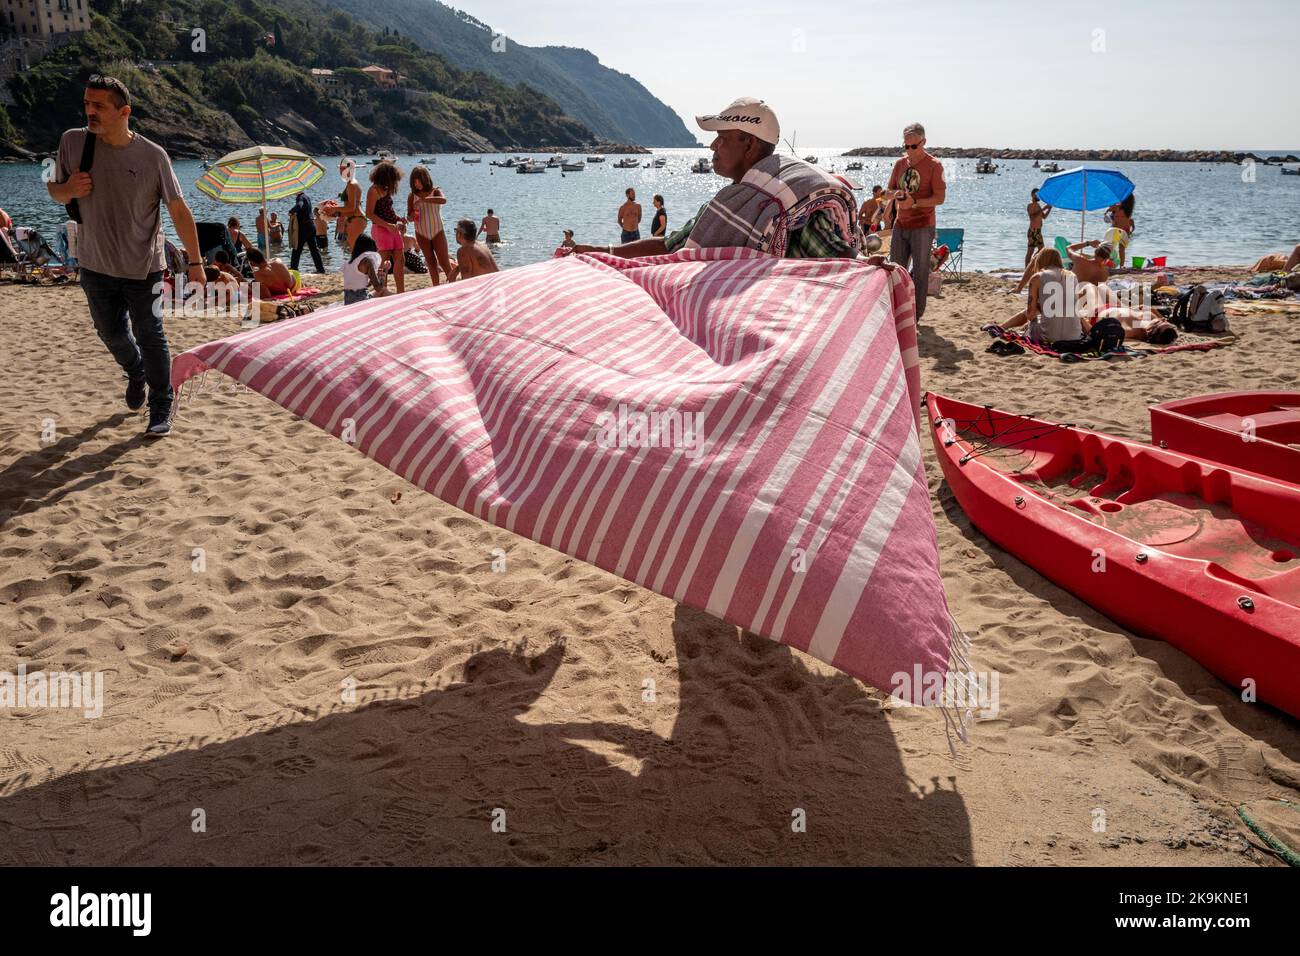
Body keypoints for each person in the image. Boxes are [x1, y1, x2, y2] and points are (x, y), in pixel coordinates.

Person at [46, 74, 205, 437]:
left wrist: (196, 264)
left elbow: (179, 210)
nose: (90, 111)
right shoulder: (73, 143)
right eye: (87, 103)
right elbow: (56, 192)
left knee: (151, 333)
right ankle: (135, 371)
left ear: (124, 111)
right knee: (111, 333)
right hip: (94, 263)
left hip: (144, 265)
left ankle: (161, 403)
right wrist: (67, 189)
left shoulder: (153, 156)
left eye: (99, 105)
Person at [570, 96, 867, 264]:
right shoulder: (726, 206)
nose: (713, 147)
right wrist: (602, 252)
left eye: (721, 139)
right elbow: (670, 246)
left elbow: (834, 254)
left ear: (748, 145)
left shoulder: (786, 204)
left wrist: (865, 263)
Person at [887, 122, 947, 319]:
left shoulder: (934, 166)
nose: (910, 151)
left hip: (923, 225)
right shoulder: (899, 164)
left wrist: (914, 203)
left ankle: (916, 315)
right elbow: (889, 191)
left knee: (920, 273)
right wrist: (894, 199)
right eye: (906, 146)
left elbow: (940, 198)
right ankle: (897, 312)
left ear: (924, 142)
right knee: (895, 270)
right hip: (900, 224)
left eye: (914, 146)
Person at [366, 160, 407, 293]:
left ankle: (401, 291)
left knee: (400, 259)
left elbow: (387, 210)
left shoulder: (385, 189)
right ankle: (382, 290)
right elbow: (369, 214)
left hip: (392, 228)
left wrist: (398, 219)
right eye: (393, 179)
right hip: (381, 229)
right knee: (384, 261)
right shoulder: (373, 190)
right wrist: (387, 225)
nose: (395, 183)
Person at [407, 165, 452, 285]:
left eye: (418, 181)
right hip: (421, 232)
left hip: (437, 230)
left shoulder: (435, 190)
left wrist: (423, 200)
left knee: (444, 262)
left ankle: (453, 285)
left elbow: (443, 200)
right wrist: (410, 217)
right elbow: (410, 216)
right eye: (414, 182)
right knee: (431, 263)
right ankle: (436, 288)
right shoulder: (412, 196)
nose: (416, 184)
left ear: (425, 179)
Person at [341, 233, 389, 305]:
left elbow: (363, 284)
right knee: (384, 291)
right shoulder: (366, 261)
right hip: (361, 301)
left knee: (378, 292)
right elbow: (379, 288)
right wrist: (384, 272)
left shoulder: (348, 263)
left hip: (348, 301)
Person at [333, 158, 366, 251]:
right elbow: (350, 207)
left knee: (355, 251)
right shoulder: (351, 183)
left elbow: (351, 207)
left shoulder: (351, 184)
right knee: (352, 251)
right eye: (340, 169)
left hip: (357, 219)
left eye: (342, 169)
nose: (340, 171)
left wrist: (335, 209)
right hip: (355, 218)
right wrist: (336, 212)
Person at [289, 191, 324, 274]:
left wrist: (291, 211)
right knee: (314, 249)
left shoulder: (300, 197)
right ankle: (321, 269)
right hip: (311, 225)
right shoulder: (307, 197)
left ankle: (293, 269)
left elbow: (299, 205)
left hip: (303, 227)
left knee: (297, 248)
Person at [1023, 188, 1052, 272]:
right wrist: (1044, 208)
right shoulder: (1030, 205)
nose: (1038, 196)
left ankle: (1032, 264)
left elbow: (1044, 217)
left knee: (1041, 250)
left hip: (1038, 230)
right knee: (1031, 251)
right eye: (1036, 194)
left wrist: (1049, 208)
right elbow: (1033, 217)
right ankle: (1027, 269)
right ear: (1032, 195)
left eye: (1038, 195)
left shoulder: (1038, 206)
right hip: (1033, 231)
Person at [1104, 193, 1134, 267]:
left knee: (1109, 248)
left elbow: (1109, 209)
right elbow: (1131, 222)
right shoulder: (1129, 210)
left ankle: (1106, 264)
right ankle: (1121, 266)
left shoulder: (1116, 207)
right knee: (1122, 250)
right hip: (1125, 231)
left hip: (1116, 230)